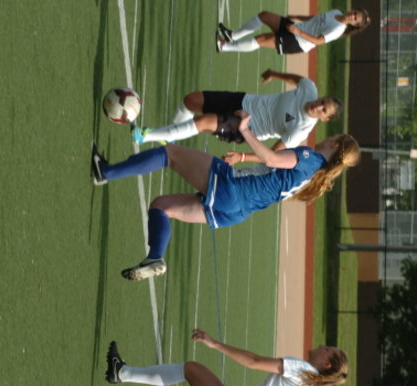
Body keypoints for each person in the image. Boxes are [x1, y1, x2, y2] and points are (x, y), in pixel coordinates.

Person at [91, 112, 360, 281]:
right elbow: (270, 171)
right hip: (237, 210)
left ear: (336, 144)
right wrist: (243, 157)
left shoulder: (310, 158)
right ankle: (155, 257)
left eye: (334, 136)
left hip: (231, 188)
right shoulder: (317, 176)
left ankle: (105, 172)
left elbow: (271, 159)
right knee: (161, 207)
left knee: (170, 154)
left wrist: (245, 130)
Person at [132, 69, 342, 164]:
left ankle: (145, 135)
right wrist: (274, 74)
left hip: (246, 126)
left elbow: (272, 155)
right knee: (190, 100)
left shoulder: (301, 130)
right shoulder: (309, 88)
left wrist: (242, 157)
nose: (319, 106)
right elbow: (297, 79)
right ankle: (169, 136)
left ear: (324, 119)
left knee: (203, 122)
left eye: (324, 110)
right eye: (323, 102)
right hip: (243, 100)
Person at [105, 328, 349, 385]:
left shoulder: (304, 370)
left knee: (190, 369)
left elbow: (254, 362)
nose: (322, 345)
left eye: (327, 348)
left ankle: (122, 372)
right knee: (192, 370)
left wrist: (214, 344)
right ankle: (121, 372)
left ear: (327, 363)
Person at [216, 9, 371, 55]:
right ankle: (232, 36)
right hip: (296, 28)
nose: (352, 16)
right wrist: (297, 17)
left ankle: (224, 46)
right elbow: (315, 18)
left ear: (353, 25)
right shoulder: (336, 12)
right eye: (354, 13)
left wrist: (298, 32)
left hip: (298, 41)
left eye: (354, 19)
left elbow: (318, 41)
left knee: (262, 39)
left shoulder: (338, 29)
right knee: (265, 16)